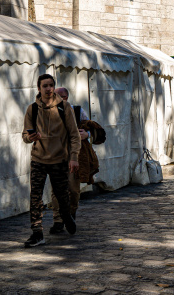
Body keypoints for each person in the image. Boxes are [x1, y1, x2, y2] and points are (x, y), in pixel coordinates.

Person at [22, 74, 81, 247]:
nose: (48, 89)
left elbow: (74, 135)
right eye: (44, 86)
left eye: (50, 85)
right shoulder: (32, 109)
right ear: (39, 88)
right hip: (38, 159)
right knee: (35, 197)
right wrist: (30, 137)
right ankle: (37, 232)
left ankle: (66, 215)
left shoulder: (64, 107)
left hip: (59, 160)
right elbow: (25, 136)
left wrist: (74, 157)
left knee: (62, 196)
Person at [50, 87, 103, 235]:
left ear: (67, 97)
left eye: (64, 96)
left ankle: (70, 214)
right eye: (58, 96)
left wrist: (87, 134)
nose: (61, 99)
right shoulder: (47, 111)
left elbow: (91, 128)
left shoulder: (77, 111)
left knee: (73, 190)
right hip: (54, 156)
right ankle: (58, 221)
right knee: (56, 190)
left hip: (74, 157)